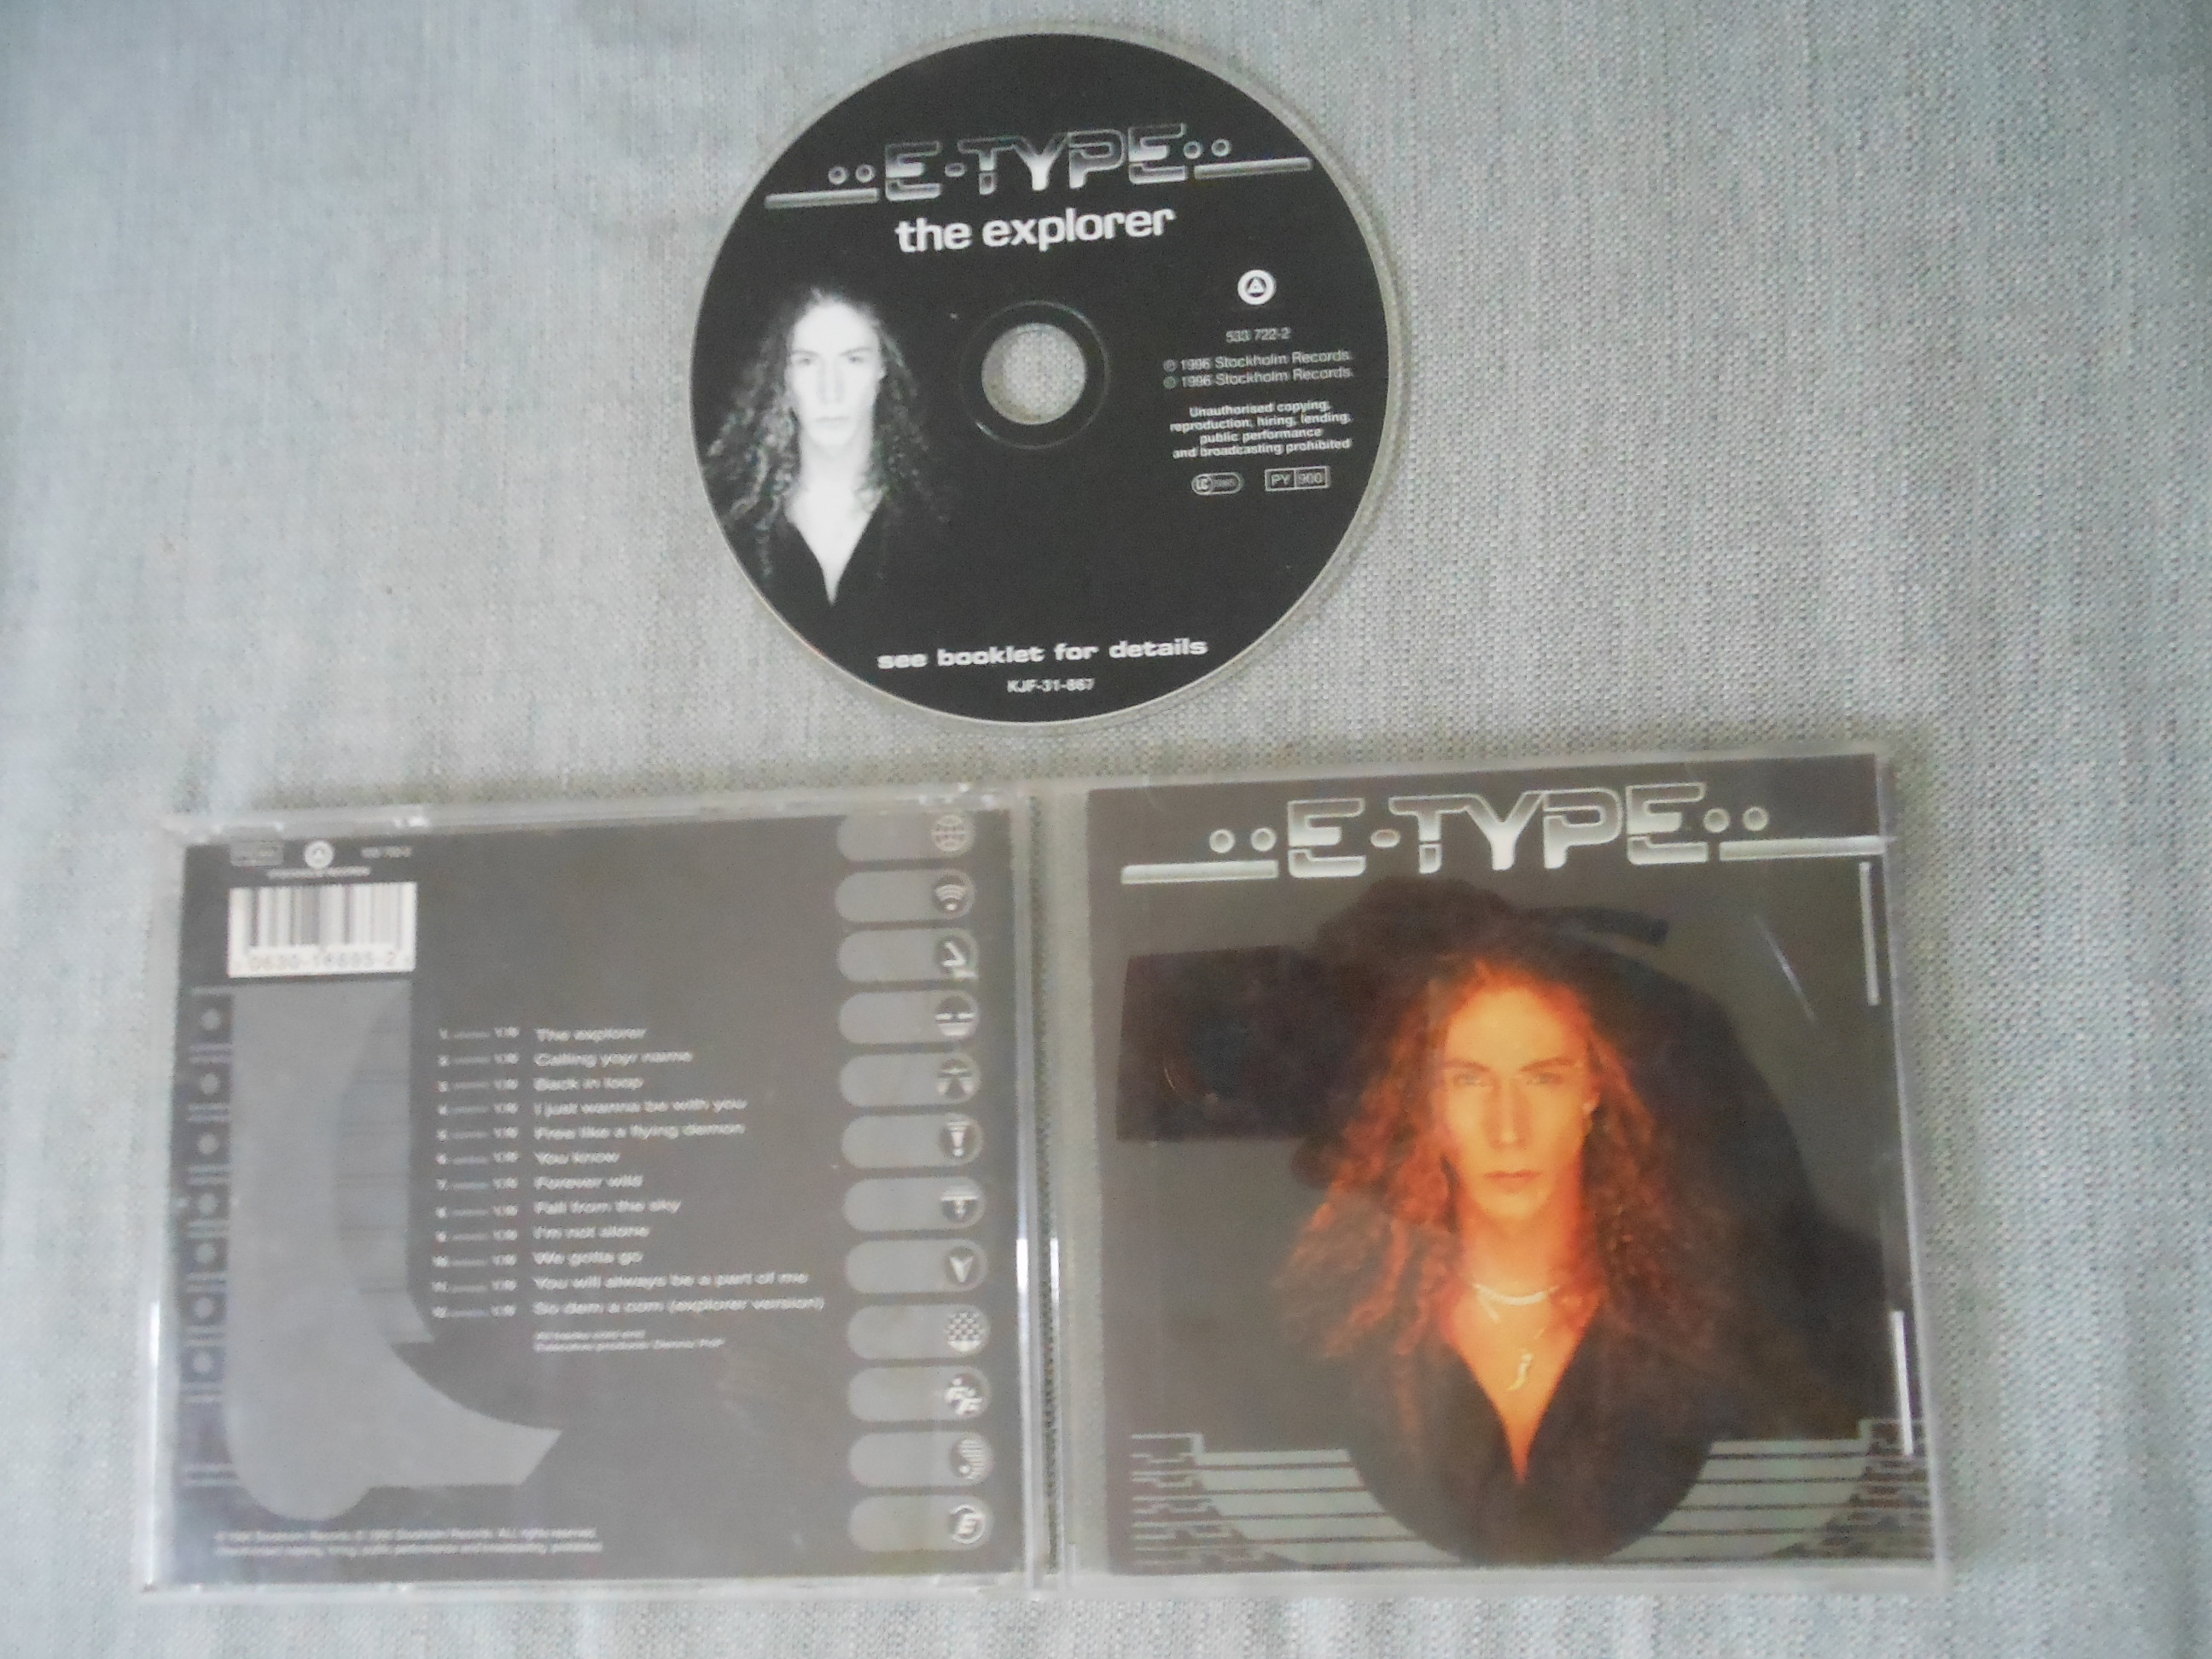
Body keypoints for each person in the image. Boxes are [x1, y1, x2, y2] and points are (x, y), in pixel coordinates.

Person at [1279, 881, 1885, 1563]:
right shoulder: (1338, 1336)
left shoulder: (1712, 1323)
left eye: (1544, 1077)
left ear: (1594, 1091)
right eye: (1470, 1079)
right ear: (1429, 1103)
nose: (1508, 1128)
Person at [701, 287, 943, 667]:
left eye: (853, 359)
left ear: (882, 369)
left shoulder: (938, 520)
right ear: (783, 376)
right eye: (807, 362)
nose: (831, 390)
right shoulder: (729, 519)